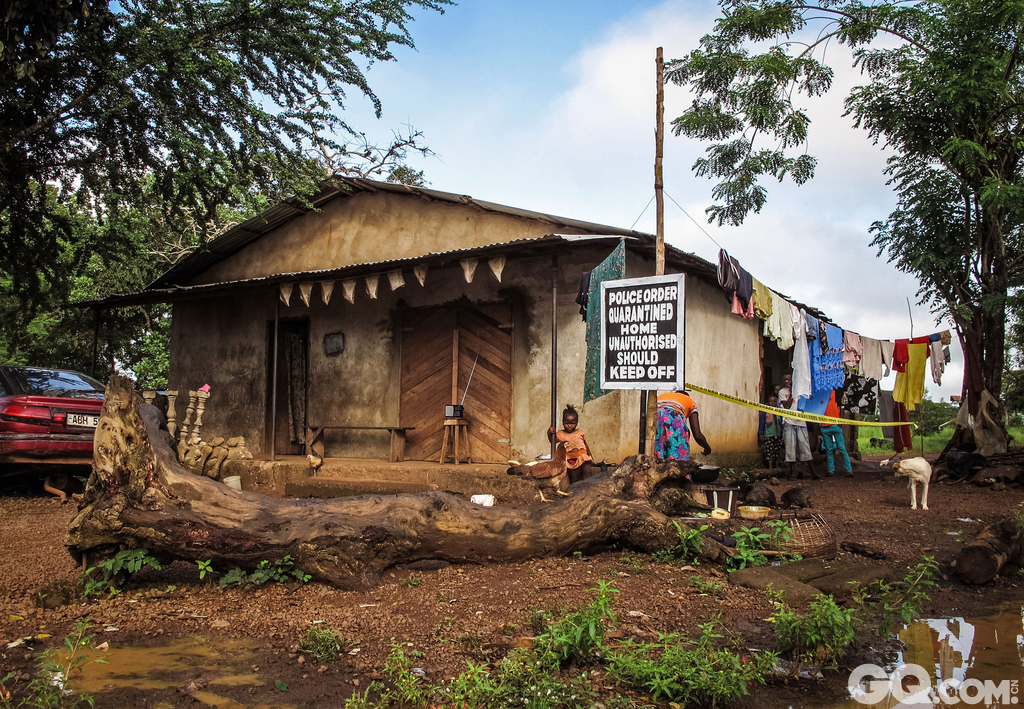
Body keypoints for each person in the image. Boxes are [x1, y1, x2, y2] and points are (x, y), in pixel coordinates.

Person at [779, 373, 818, 480]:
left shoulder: (802, 391)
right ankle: (792, 473)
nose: (787, 382)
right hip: (788, 422)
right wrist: (792, 393)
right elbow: (786, 406)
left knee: (805, 447)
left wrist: (797, 390)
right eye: (785, 379)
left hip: (801, 422)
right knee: (790, 447)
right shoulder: (782, 392)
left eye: (789, 379)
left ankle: (813, 472)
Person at [655, 389, 712, 461]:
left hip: (655, 416)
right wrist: (707, 448)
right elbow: (697, 435)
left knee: (658, 452)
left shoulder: (663, 396)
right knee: (678, 459)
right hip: (673, 416)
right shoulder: (691, 402)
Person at [547, 404, 594, 483]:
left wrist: (590, 456)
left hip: (584, 457)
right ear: (563, 422)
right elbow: (552, 441)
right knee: (574, 480)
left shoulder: (580, 432)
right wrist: (549, 433)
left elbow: (585, 444)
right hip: (571, 459)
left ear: (576, 423)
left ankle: (587, 492)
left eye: (572, 423)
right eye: (567, 423)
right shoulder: (560, 433)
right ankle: (575, 493)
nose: (569, 426)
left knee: (587, 478)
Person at [821, 391, 853, 476]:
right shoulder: (822, 393)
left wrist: (840, 422)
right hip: (825, 425)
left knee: (841, 448)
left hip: (834, 424)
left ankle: (849, 470)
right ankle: (831, 470)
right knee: (829, 449)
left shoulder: (837, 393)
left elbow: (842, 408)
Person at [757, 395, 784, 469]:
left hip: (777, 434)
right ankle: (770, 467)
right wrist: (761, 433)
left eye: (774, 401)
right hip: (769, 434)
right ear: (768, 402)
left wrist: (782, 433)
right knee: (769, 450)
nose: (772, 403)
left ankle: (777, 466)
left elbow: (781, 422)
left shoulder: (779, 411)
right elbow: (762, 423)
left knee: (777, 450)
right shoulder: (766, 411)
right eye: (771, 401)